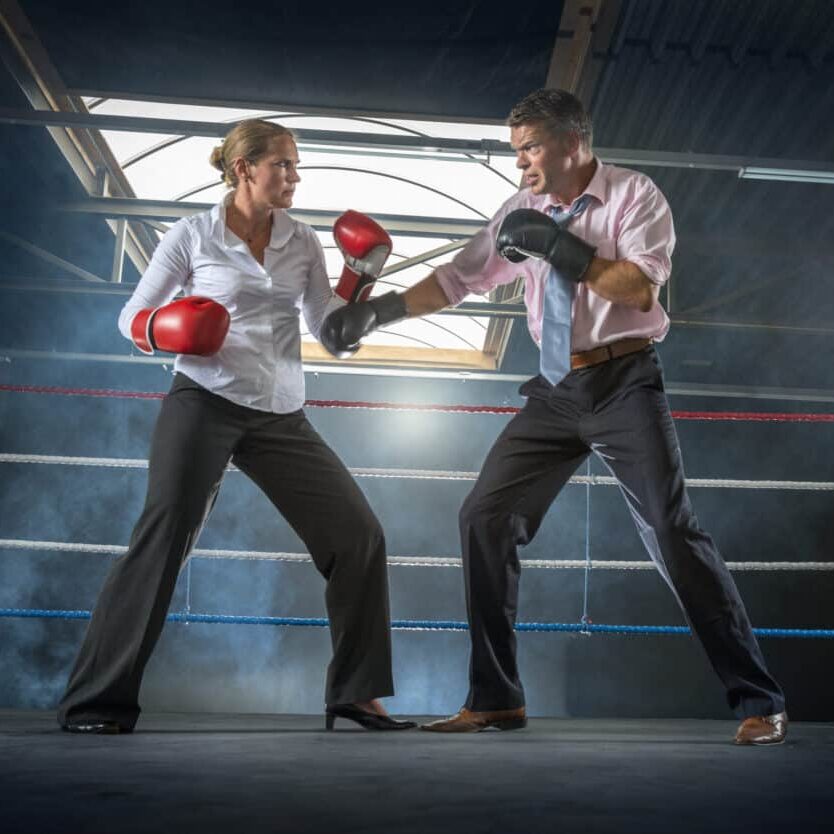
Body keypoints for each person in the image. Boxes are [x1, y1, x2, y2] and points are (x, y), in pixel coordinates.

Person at [320, 89, 787, 745]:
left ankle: (760, 701)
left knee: (671, 532)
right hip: (553, 389)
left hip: (624, 380)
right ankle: (496, 698)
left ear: (573, 142)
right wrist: (378, 312)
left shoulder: (633, 196)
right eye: (516, 153)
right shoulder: (519, 208)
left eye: (531, 149)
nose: (521, 166)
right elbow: (458, 279)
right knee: (484, 516)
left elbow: (641, 287)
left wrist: (567, 251)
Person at [57, 119, 415, 733]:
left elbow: (331, 330)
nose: (295, 177)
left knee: (358, 536)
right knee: (162, 536)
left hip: (280, 412)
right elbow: (131, 315)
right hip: (203, 400)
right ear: (245, 167)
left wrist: (361, 279)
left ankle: (355, 693)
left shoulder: (302, 240)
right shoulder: (191, 235)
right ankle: (96, 701)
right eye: (284, 165)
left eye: (296, 166)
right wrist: (164, 329)